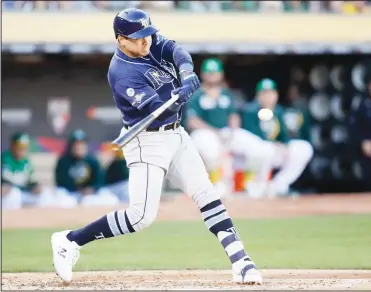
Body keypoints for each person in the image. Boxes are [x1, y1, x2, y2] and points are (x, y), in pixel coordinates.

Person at [50, 8, 262, 285]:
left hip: (176, 134)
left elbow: (176, 51)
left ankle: (241, 262)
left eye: (147, 35)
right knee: (140, 217)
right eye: (137, 38)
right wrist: (179, 96)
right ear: (120, 40)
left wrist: (186, 75)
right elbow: (157, 109)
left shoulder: (148, 42)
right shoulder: (122, 73)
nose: (145, 42)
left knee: (206, 194)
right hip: (146, 140)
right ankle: (69, 240)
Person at [186, 58, 275, 197]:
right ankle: (217, 184)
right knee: (209, 148)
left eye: (215, 72)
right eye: (209, 72)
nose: (212, 75)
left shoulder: (227, 94)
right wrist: (215, 133)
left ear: (221, 74)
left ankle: (249, 184)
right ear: (203, 74)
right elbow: (193, 121)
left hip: (226, 132)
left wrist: (233, 131)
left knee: (261, 149)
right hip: (205, 133)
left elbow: (234, 116)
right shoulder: (196, 95)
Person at [241, 78, 314, 196]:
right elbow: (252, 138)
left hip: (275, 152)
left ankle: (278, 186)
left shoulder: (280, 111)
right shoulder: (250, 111)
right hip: (253, 156)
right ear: (258, 95)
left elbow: (285, 135)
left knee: (303, 147)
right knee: (265, 149)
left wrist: (284, 145)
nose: (268, 97)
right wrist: (274, 144)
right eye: (264, 93)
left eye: (270, 93)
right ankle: (258, 186)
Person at [1, 132, 68, 209]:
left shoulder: (26, 162)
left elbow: (32, 181)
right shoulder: (3, 159)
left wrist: (36, 187)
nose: (22, 149)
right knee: (14, 194)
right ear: (12, 146)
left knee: (45, 194)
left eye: (24, 147)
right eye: (19, 146)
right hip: (6, 196)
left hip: (23, 193)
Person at [55, 129, 120, 207]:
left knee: (110, 199)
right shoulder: (64, 161)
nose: (79, 147)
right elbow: (60, 182)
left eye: (81, 144)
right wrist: (78, 190)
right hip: (71, 193)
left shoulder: (92, 160)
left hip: (89, 195)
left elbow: (99, 180)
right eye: (76, 144)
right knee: (62, 199)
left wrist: (92, 189)